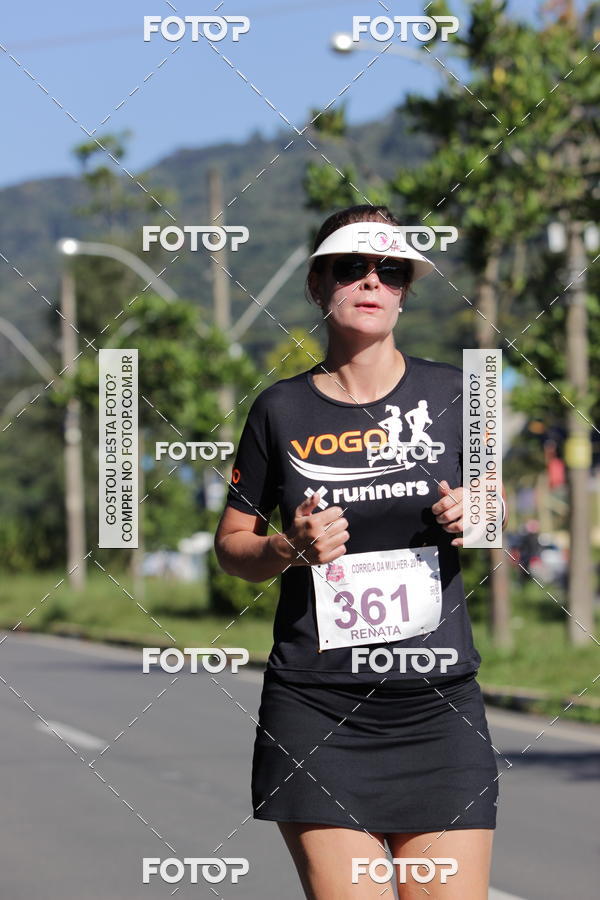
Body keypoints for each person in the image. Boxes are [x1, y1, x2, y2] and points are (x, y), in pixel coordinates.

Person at [214, 204, 508, 899]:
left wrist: (481, 512)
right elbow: (231, 546)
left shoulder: (462, 394)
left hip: (438, 710)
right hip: (319, 711)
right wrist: (288, 546)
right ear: (319, 285)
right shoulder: (278, 410)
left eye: (391, 270)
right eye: (351, 267)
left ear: (404, 290)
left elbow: (499, 506)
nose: (371, 282)